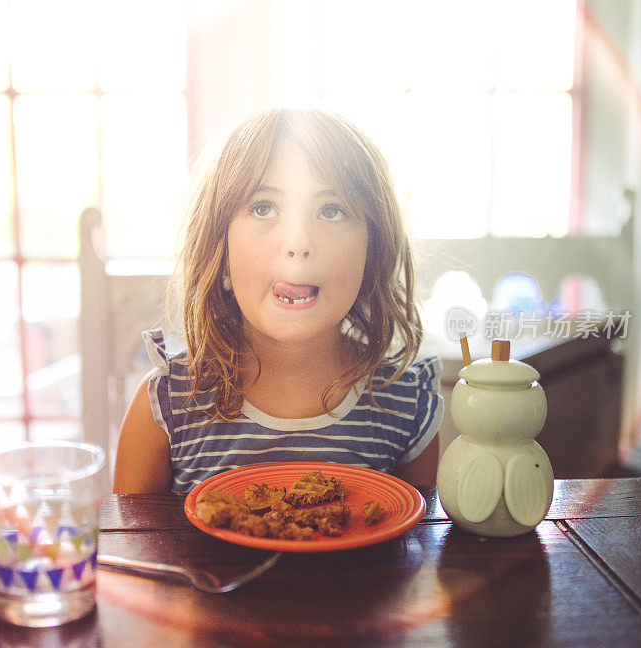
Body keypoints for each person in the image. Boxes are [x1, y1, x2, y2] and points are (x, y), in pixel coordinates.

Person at [113, 107, 443, 495]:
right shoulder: (168, 406)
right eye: (263, 208)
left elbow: (415, 548)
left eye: (331, 210)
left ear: (373, 251)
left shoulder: (405, 407)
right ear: (220, 252)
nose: (299, 243)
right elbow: (125, 548)